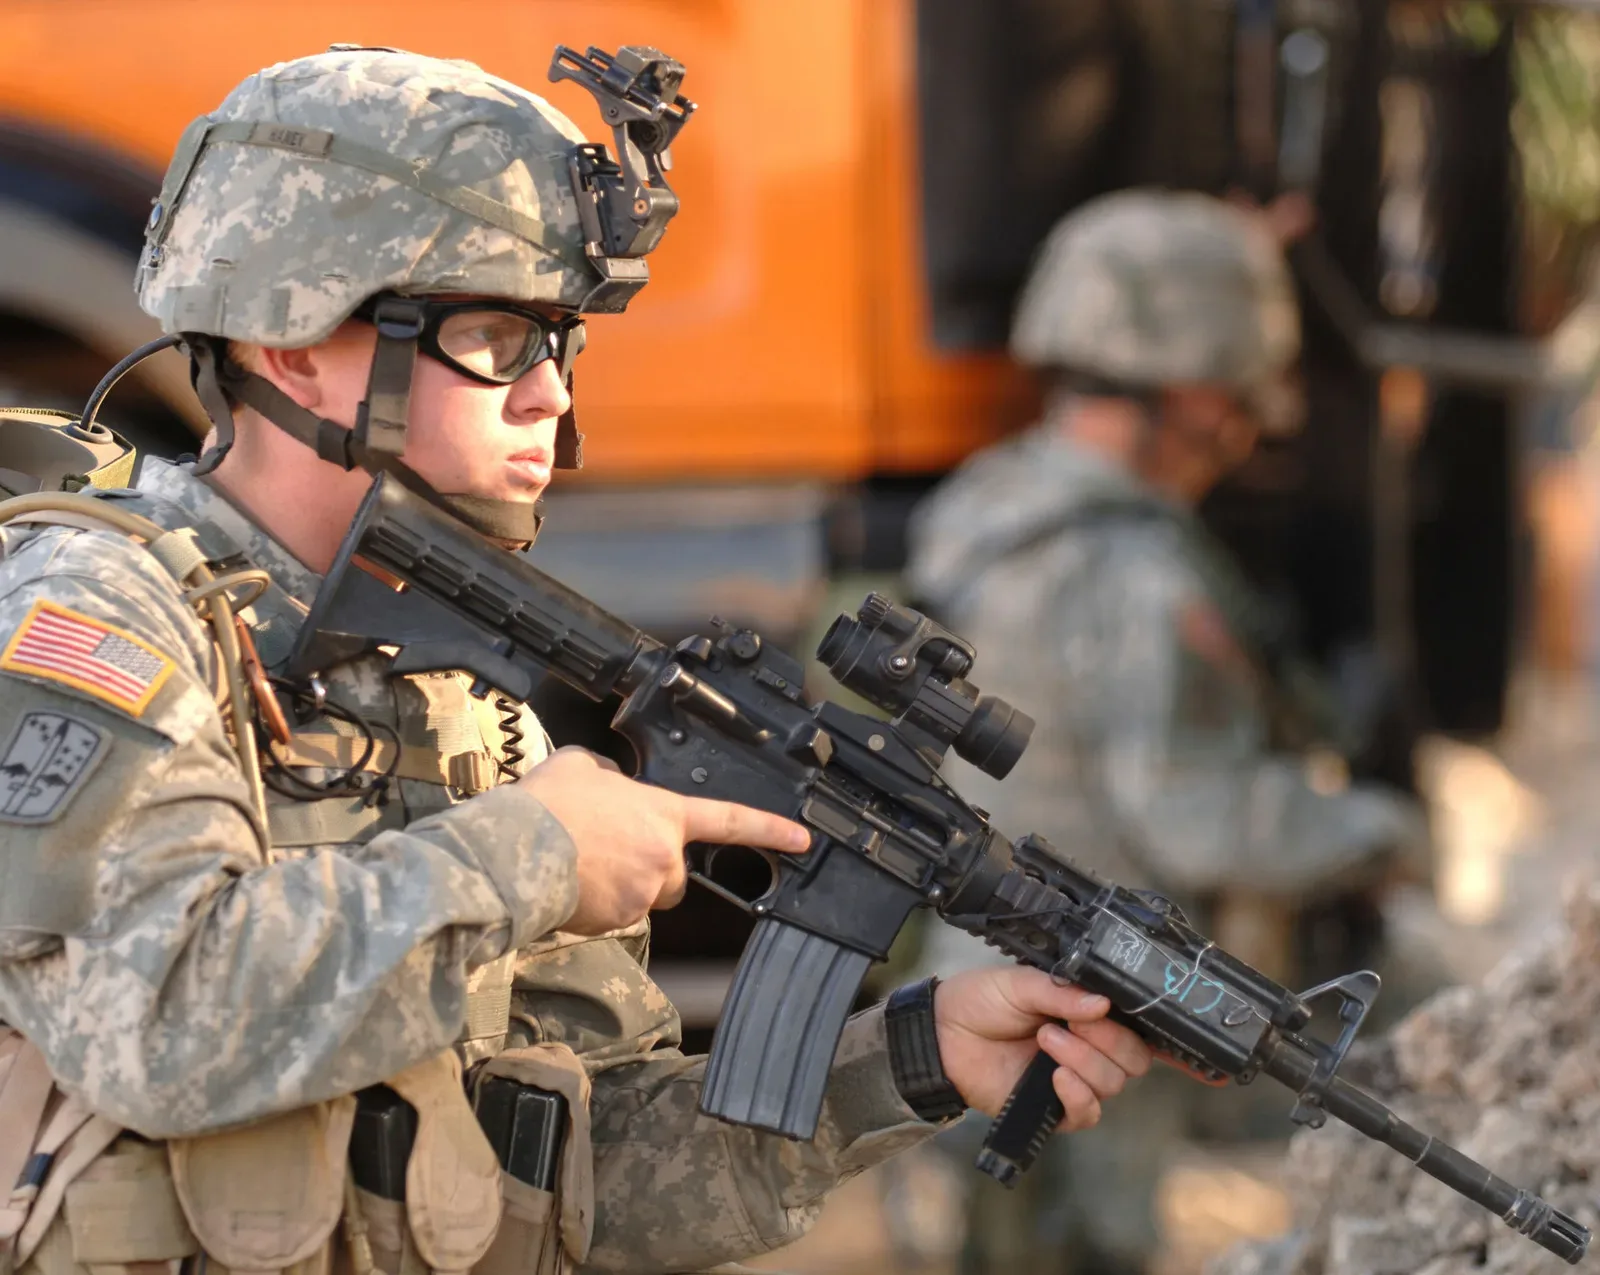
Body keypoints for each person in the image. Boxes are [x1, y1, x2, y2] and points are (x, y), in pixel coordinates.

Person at [0, 48, 1151, 1275]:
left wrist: (905, 1062)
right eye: (496, 337)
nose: (549, 393)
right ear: (292, 342)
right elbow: (157, 1026)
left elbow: (585, 1184)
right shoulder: (93, 623)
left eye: (560, 342)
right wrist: (535, 855)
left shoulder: (458, 697)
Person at [901, 189, 1426, 1274]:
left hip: (971, 974)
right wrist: (1382, 831)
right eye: (1239, 393)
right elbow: (1199, 817)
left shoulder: (989, 506)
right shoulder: (1132, 573)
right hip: (1090, 1001)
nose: (1247, 423)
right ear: (1194, 387)